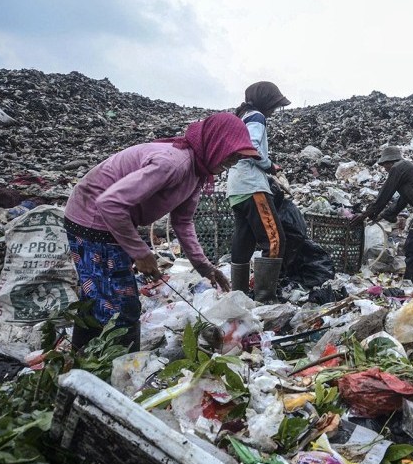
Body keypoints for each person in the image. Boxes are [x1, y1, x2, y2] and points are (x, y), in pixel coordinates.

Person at [64, 112, 258, 351]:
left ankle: (79, 362)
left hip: (110, 224)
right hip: (91, 221)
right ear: (216, 143)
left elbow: (183, 221)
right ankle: (118, 371)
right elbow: (110, 203)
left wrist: (204, 267)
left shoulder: (197, 172)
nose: (235, 161)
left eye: (239, 156)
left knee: (97, 297)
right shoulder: (173, 163)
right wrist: (140, 252)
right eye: (233, 153)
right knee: (121, 308)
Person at [227, 81, 291, 303]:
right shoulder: (256, 117)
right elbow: (251, 147)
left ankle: (239, 295)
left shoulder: (243, 117)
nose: (274, 110)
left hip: (236, 188)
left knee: (243, 239)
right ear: (265, 101)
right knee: (274, 240)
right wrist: (270, 166)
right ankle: (264, 297)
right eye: (274, 105)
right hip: (252, 186)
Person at [351, 146, 413, 287]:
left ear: (390, 161)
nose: (385, 169)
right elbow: (403, 199)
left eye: (385, 166)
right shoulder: (409, 169)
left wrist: (367, 214)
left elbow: (385, 193)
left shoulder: (398, 167)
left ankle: (411, 285)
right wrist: (386, 214)